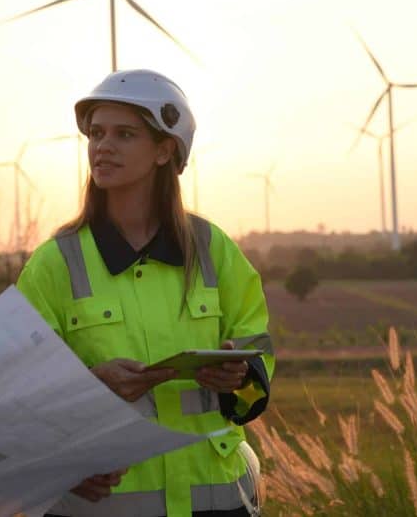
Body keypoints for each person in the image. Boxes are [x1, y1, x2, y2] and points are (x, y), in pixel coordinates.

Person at [17, 69, 275, 517]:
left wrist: (240, 376)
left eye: (124, 134)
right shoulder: (54, 263)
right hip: (102, 504)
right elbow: (17, 386)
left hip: (215, 500)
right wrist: (91, 386)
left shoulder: (214, 250)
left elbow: (258, 353)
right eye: (96, 133)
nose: (103, 146)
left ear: (164, 150)